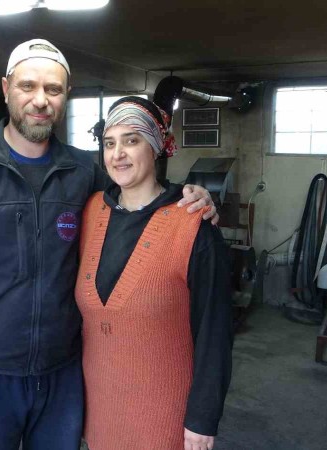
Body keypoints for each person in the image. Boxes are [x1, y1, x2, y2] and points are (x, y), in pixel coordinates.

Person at [0, 39, 218, 450]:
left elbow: (137, 192)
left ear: (65, 96)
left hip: (63, 372)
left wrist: (189, 196)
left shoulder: (82, 170)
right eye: (28, 86)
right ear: (6, 89)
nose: (40, 100)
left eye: (52, 89)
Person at [76, 96, 233, 450]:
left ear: (156, 147)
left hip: (164, 414)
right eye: (109, 143)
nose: (118, 154)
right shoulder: (91, 211)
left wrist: (203, 417)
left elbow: (215, 331)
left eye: (131, 140)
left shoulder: (193, 222)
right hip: (100, 408)